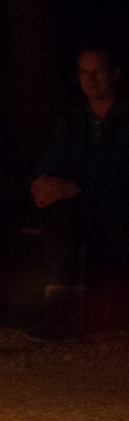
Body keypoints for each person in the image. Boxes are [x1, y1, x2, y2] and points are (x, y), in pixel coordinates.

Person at [30, 46, 129, 340]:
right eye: (84, 72)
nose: (91, 79)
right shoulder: (73, 118)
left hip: (118, 204)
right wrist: (42, 183)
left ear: (115, 74)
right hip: (82, 207)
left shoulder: (125, 116)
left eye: (98, 71)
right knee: (56, 210)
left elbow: (121, 169)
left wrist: (77, 185)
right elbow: (53, 157)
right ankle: (63, 316)